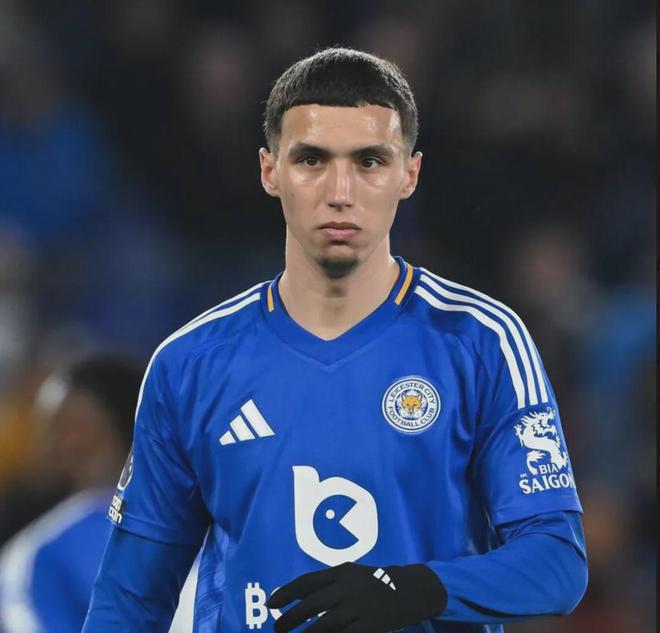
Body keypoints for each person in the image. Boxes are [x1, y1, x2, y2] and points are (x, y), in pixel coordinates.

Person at [82, 47, 587, 632]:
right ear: (270, 171)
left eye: (369, 161)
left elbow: (557, 562)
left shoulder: (481, 343)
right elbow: (128, 600)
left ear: (409, 174)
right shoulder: (190, 364)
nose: (340, 191)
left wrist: (419, 588)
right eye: (312, 159)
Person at [0, 353, 196, 633]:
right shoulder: (215, 525)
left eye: (63, 424)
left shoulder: (44, 552)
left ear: (101, 428)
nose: (46, 440)